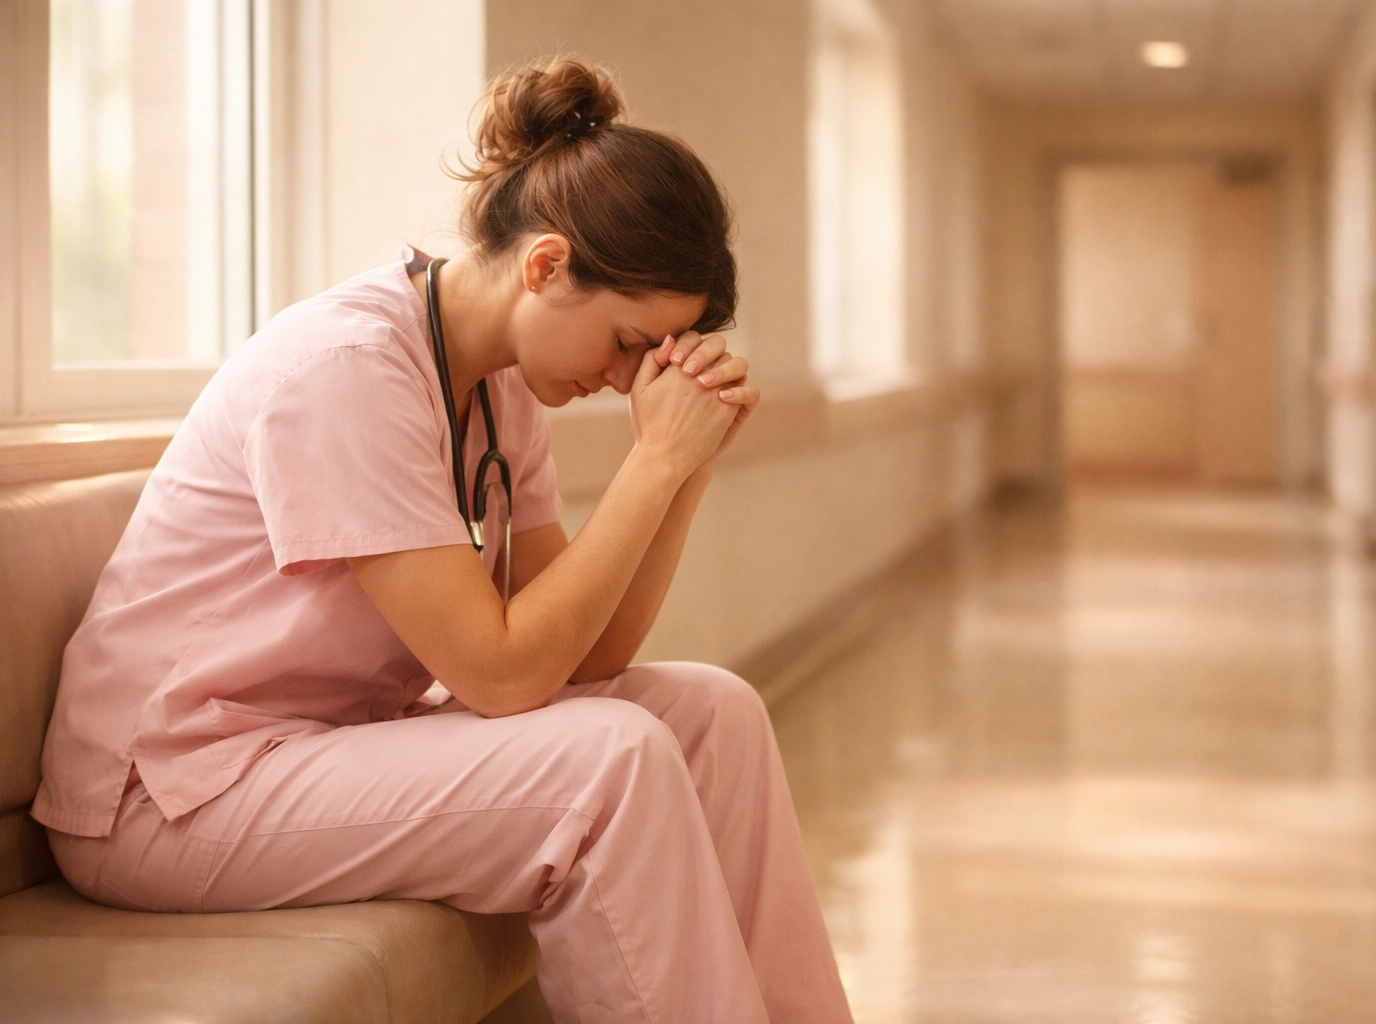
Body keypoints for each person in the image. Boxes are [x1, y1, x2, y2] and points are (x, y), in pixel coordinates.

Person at [33, 56, 855, 1024]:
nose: (633, 376)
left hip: (309, 747)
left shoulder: (500, 385)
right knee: (611, 758)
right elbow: (502, 675)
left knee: (716, 714)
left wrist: (683, 465)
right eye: (630, 341)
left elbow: (585, 658)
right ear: (546, 265)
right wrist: (652, 466)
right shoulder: (347, 369)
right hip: (166, 793)